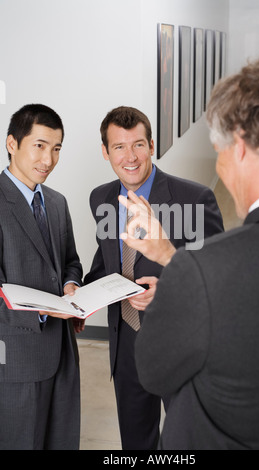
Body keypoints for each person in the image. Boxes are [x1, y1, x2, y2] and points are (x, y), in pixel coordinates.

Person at [120, 58, 259, 450]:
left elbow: (153, 372)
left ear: (238, 147)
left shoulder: (208, 267)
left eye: (217, 149)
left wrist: (182, 269)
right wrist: (171, 254)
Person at [84, 106, 224, 450]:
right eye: (119, 147)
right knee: (135, 441)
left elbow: (217, 277)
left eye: (138, 145)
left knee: (187, 441)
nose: (130, 157)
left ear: (151, 146)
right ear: (106, 152)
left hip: (179, 342)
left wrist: (170, 288)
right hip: (126, 343)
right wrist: (79, 294)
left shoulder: (195, 199)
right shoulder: (101, 198)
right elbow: (106, 263)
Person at [0, 104, 83, 450]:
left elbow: (71, 262)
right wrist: (45, 310)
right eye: (39, 145)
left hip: (63, 353)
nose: (48, 159)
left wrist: (71, 285)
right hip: (18, 361)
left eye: (57, 148)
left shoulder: (57, 202)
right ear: (12, 144)